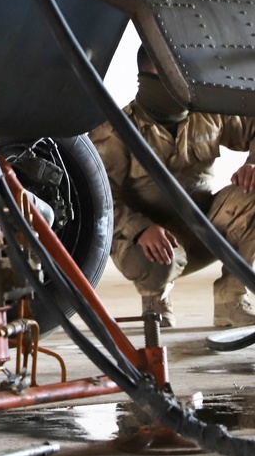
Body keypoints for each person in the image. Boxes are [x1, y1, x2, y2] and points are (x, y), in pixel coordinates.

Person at [90, 45, 255, 329]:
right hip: (151, 241)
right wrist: (138, 227)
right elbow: (97, 198)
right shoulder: (116, 130)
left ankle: (231, 300)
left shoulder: (208, 114)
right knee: (155, 259)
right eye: (164, 78)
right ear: (143, 78)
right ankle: (155, 298)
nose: (175, 87)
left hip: (205, 223)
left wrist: (253, 163)